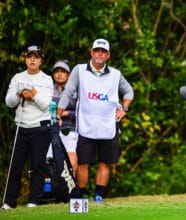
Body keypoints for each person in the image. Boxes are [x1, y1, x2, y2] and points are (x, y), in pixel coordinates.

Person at [57, 38, 134, 203]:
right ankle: (80, 197)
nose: (100, 54)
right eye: (97, 50)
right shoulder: (79, 70)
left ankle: (98, 196)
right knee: (83, 164)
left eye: (103, 51)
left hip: (108, 125)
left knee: (104, 163)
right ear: (91, 52)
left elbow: (129, 91)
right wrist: (59, 110)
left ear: (108, 55)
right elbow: (68, 92)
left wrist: (124, 108)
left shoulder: (115, 74)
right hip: (86, 125)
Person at [3, 45, 53, 209]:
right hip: (22, 126)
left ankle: (34, 201)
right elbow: (9, 102)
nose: (32, 59)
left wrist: (33, 94)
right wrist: (18, 94)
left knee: (37, 166)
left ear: (41, 60)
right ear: (25, 59)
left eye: (36, 57)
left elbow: (45, 105)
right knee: (15, 166)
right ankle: (9, 202)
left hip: (40, 128)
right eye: (29, 56)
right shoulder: (17, 78)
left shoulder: (46, 79)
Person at [51, 60, 78, 177]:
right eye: (57, 71)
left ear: (68, 74)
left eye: (63, 71)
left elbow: (81, 113)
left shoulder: (75, 91)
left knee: (71, 164)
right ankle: (54, 193)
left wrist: (65, 113)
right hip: (50, 130)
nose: (59, 74)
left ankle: (72, 193)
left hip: (69, 130)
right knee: (50, 164)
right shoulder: (48, 90)